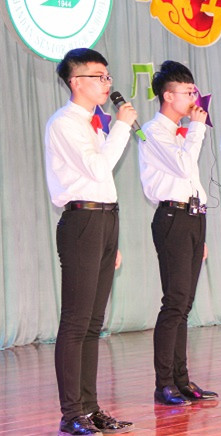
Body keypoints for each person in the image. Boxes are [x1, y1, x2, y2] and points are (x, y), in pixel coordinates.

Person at [45, 48, 135, 435]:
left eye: (108, 76)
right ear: (76, 82)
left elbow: (103, 182)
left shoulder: (94, 125)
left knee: (94, 323)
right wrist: (122, 127)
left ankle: (91, 408)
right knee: (76, 321)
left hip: (104, 220)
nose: (107, 83)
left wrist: (112, 241)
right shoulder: (64, 123)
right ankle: (71, 414)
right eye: (99, 76)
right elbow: (98, 168)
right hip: (82, 221)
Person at [138, 60, 217, 405]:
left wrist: (202, 232)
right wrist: (197, 129)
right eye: (187, 92)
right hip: (172, 217)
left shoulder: (182, 134)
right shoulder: (154, 131)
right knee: (174, 302)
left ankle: (182, 379)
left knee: (184, 304)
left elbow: (191, 181)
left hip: (193, 217)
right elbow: (183, 167)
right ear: (168, 96)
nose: (193, 99)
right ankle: (164, 383)